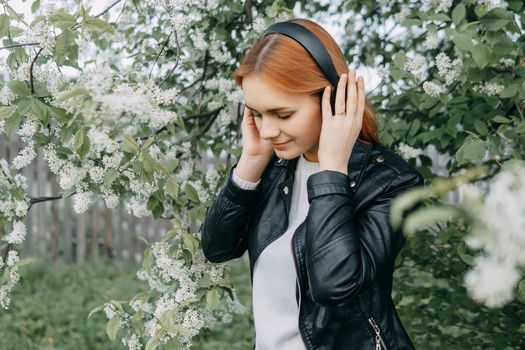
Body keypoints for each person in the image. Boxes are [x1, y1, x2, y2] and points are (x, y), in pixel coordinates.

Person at [201, 18, 423, 350]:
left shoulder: (389, 182)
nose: (267, 130)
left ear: (332, 99)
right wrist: (250, 162)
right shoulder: (277, 170)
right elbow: (217, 248)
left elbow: (334, 286)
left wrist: (332, 169)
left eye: (283, 114)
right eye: (257, 114)